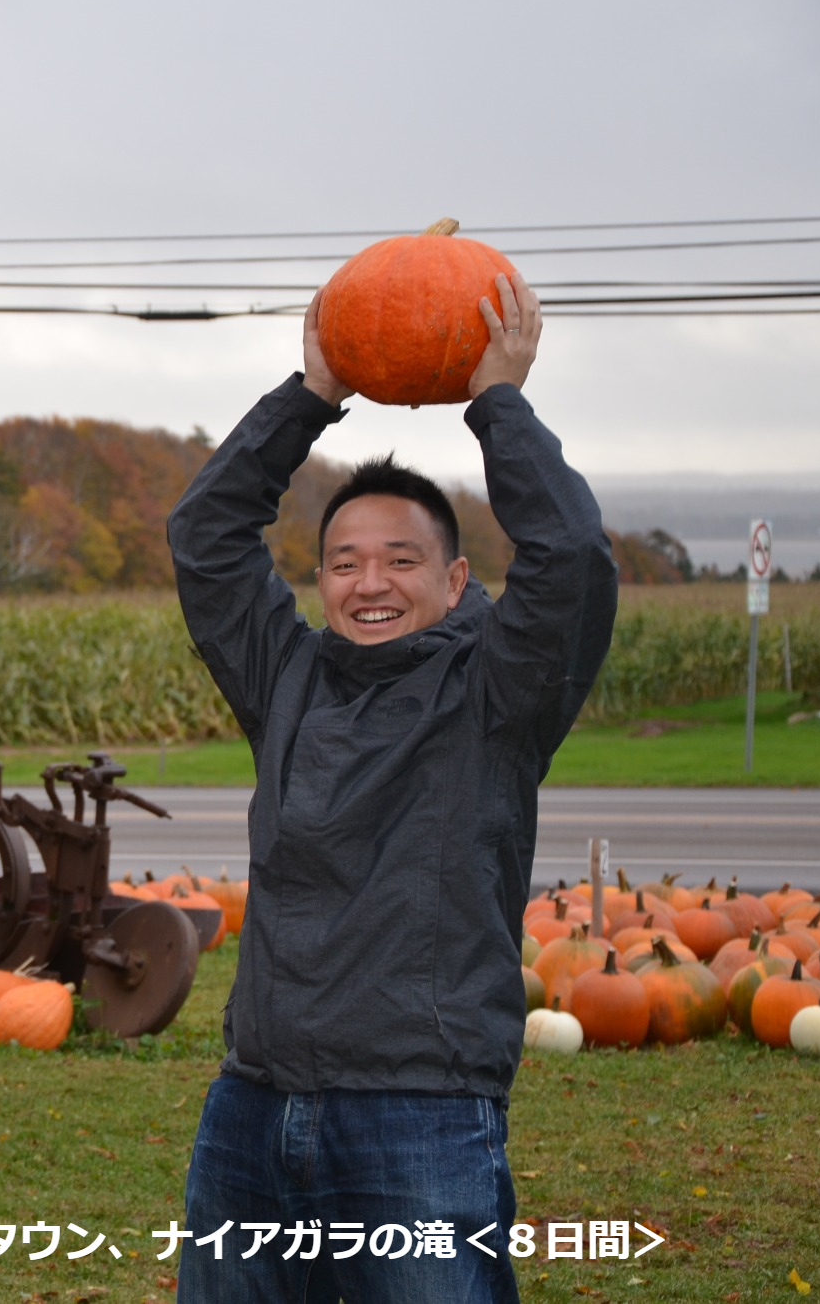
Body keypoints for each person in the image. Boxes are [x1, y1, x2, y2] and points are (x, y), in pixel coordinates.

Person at [166, 272, 617, 1302]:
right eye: (342, 562)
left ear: (455, 580)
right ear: (319, 580)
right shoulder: (285, 677)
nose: (368, 583)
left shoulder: (496, 692)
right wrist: (311, 392)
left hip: (418, 1112)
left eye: (400, 559)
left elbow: (571, 560)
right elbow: (205, 537)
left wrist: (495, 402)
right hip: (252, 1100)